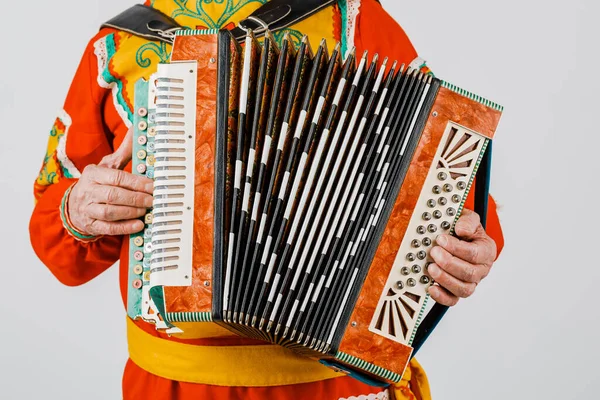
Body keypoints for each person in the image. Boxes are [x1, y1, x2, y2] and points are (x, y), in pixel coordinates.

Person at [29, 1, 505, 399]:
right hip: (170, 385)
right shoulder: (114, 49)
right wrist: (79, 210)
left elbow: (454, 192)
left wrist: (467, 251)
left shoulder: (352, 20)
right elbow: (60, 246)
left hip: (330, 383)